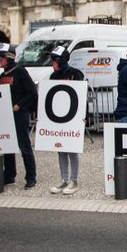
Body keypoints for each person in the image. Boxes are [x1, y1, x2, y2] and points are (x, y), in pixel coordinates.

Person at [0, 44, 38, 188]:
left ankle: (31, 177)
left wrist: (19, 105)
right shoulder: (2, 75)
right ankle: (9, 175)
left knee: (24, 146)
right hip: (6, 115)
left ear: (9, 57)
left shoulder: (20, 72)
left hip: (20, 114)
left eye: (1, 56)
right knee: (7, 146)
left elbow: (32, 93)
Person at [48, 46, 85, 195]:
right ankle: (64, 179)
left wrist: (84, 117)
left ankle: (74, 180)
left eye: (54, 59)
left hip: (73, 117)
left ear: (61, 60)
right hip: (58, 117)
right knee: (61, 149)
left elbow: (81, 96)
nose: (52, 62)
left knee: (72, 149)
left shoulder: (75, 74)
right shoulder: (53, 76)